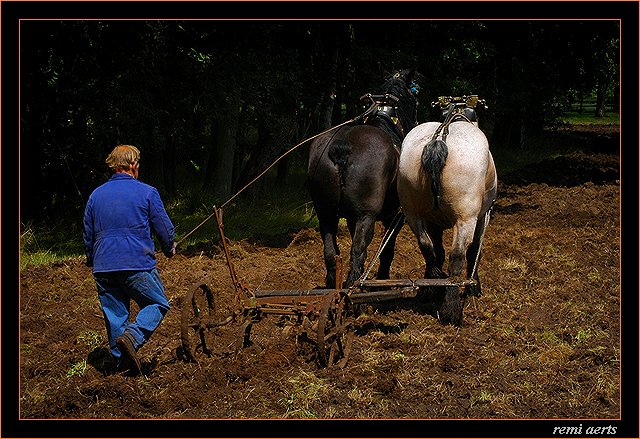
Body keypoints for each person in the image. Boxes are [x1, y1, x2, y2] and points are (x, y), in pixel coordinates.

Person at [83, 144, 175, 376]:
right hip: (136, 263)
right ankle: (132, 338)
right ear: (133, 165)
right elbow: (163, 227)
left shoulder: (95, 195)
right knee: (157, 303)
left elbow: (88, 233)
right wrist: (169, 247)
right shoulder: (147, 192)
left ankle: (120, 365)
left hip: (103, 267)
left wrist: (91, 258)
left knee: (115, 316)